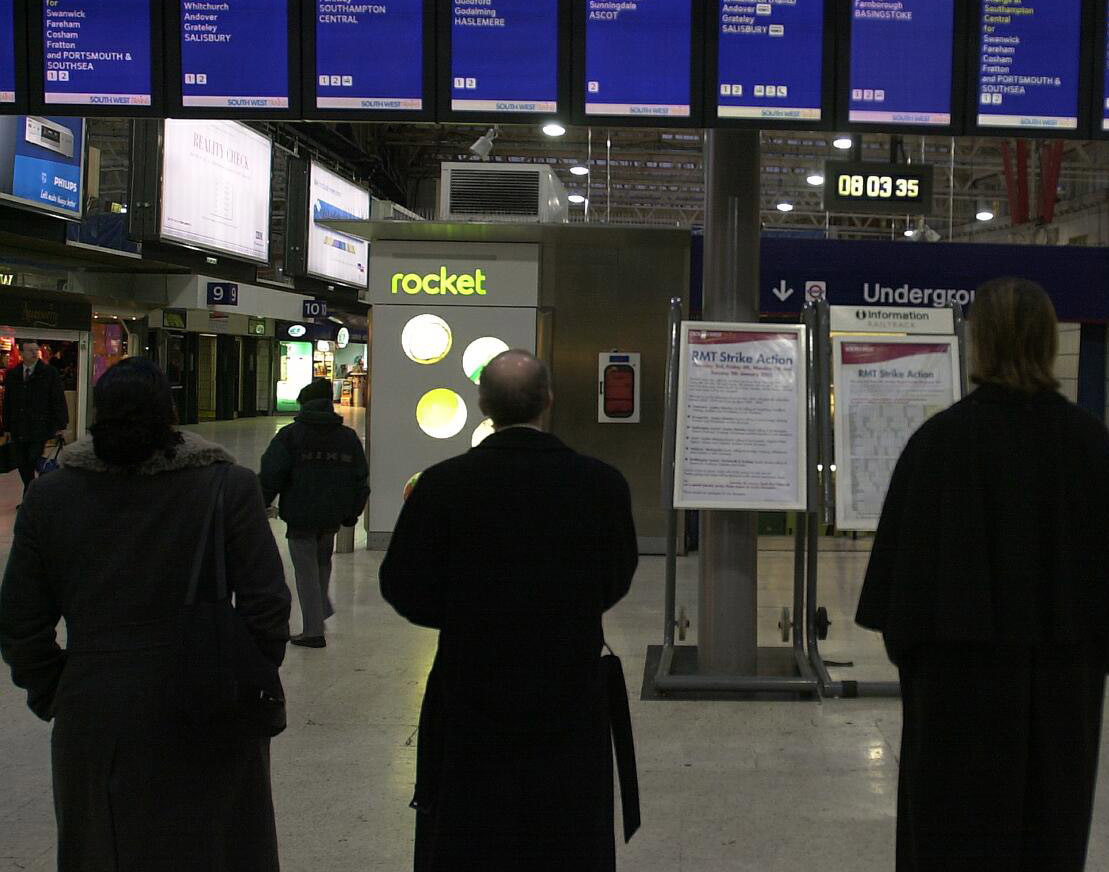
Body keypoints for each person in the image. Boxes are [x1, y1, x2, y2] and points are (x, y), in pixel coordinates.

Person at [855, 277, 1109, 872]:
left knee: (952, 838)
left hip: (954, 694)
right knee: (1051, 830)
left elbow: (899, 602)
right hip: (1063, 690)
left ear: (979, 344)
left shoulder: (938, 444)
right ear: (1049, 342)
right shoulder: (1087, 443)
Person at [0, 358, 291, 871]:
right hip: (212, 703)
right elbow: (267, 606)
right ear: (171, 415)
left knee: (106, 846)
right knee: (218, 846)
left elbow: (20, 621)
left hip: (96, 710)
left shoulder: (51, 497)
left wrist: (58, 691)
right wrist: (242, 673)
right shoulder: (227, 487)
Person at [381, 350, 640, 872]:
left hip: (470, 682)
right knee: (565, 824)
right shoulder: (601, 483)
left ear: (482, 404)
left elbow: (402, 586)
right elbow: (615, 578)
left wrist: (464, 615)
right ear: (548, 400)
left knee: (469, 824)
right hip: (568, 683)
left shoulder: (442, 485)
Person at [260, 377, 368, 649]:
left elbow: (272, 473)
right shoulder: (347, 437)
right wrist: (351, 512)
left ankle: (312, 631)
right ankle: (319, 614)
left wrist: (259, 502)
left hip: (300, 515)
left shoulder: (290, 436)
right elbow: (360, 478)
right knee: (322, 565)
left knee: (306, 572)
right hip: (332, 516)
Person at [3, 339, 69, 495]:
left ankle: (30, 493)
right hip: (19, 426)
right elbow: (8, 402)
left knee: (33, 459)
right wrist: (6, 427)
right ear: (21, 353)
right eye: (30, 350)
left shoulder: (49, 373)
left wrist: (61, 424)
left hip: (40, 426)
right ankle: (31, 490)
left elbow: (57, 398)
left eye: (35, 349)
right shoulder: (13, 375)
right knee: (21, 462)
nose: (34, 353)